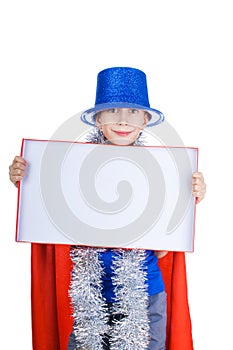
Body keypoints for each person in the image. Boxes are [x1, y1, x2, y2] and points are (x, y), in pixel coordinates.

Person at [9, 67, 206, 350]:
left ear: (146, 120)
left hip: (146, 296)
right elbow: (48, 203)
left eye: (134, 112)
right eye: (113, 110)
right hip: (89, 297)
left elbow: (165, 244)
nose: (123, 120)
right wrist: (23, 177)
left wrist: (192, 195)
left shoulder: (163, 172)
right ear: (98, 119)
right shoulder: (73, 166)